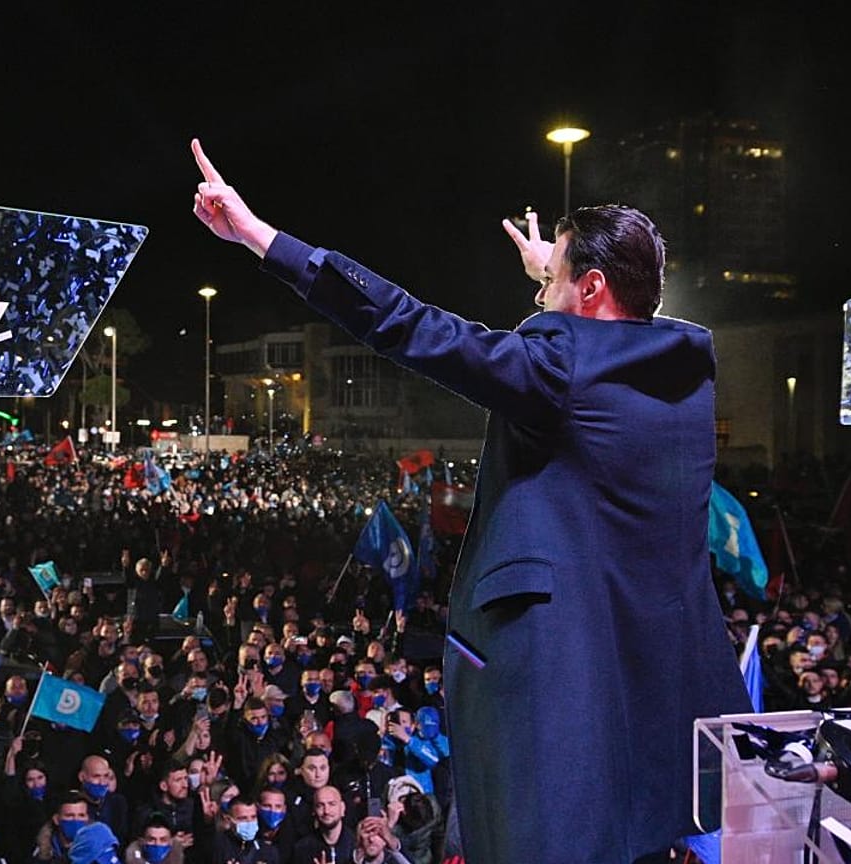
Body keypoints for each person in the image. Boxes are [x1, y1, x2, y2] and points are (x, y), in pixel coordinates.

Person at [190, 138, 749, 863]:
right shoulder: (684, 378)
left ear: (590, 289)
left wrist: (262, 239)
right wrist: (554, 272)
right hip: (649, 683)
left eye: (553, 281)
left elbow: (413, 326)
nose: (541, 295)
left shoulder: (558, 369)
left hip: (557, 683)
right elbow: (600, 348)